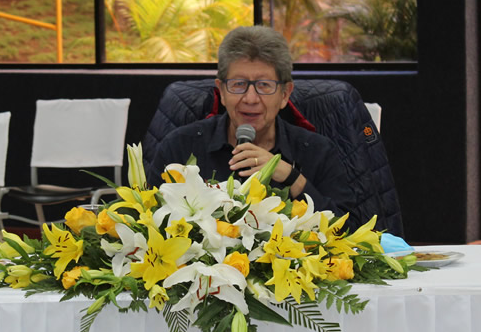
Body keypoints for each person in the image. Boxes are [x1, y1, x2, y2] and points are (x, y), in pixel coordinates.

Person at [148, 26, 354, 220]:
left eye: (264, 85)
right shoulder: (180, 147)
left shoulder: (316, 152)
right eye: (239, 84)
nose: (250, 98)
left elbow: (347, 231)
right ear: (221, 92)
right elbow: (149, 220)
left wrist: (293, 178)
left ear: (285, 94)